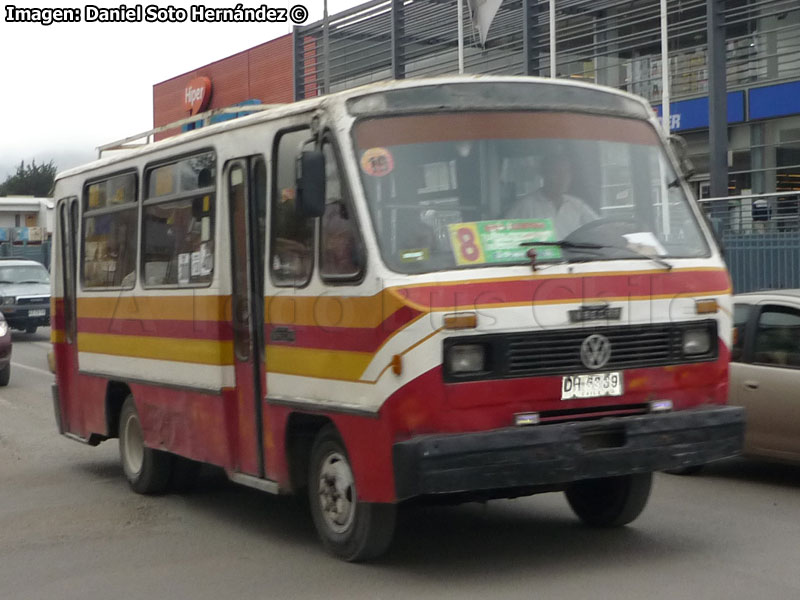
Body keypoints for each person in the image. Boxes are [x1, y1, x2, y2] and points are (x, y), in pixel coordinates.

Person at [506, 152, 598, 238]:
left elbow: (600, 229)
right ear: (544, 174)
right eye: (556, 172)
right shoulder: (524, 206)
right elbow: (503, 239)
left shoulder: (578, 206)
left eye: (566, 172)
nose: (563, 178)